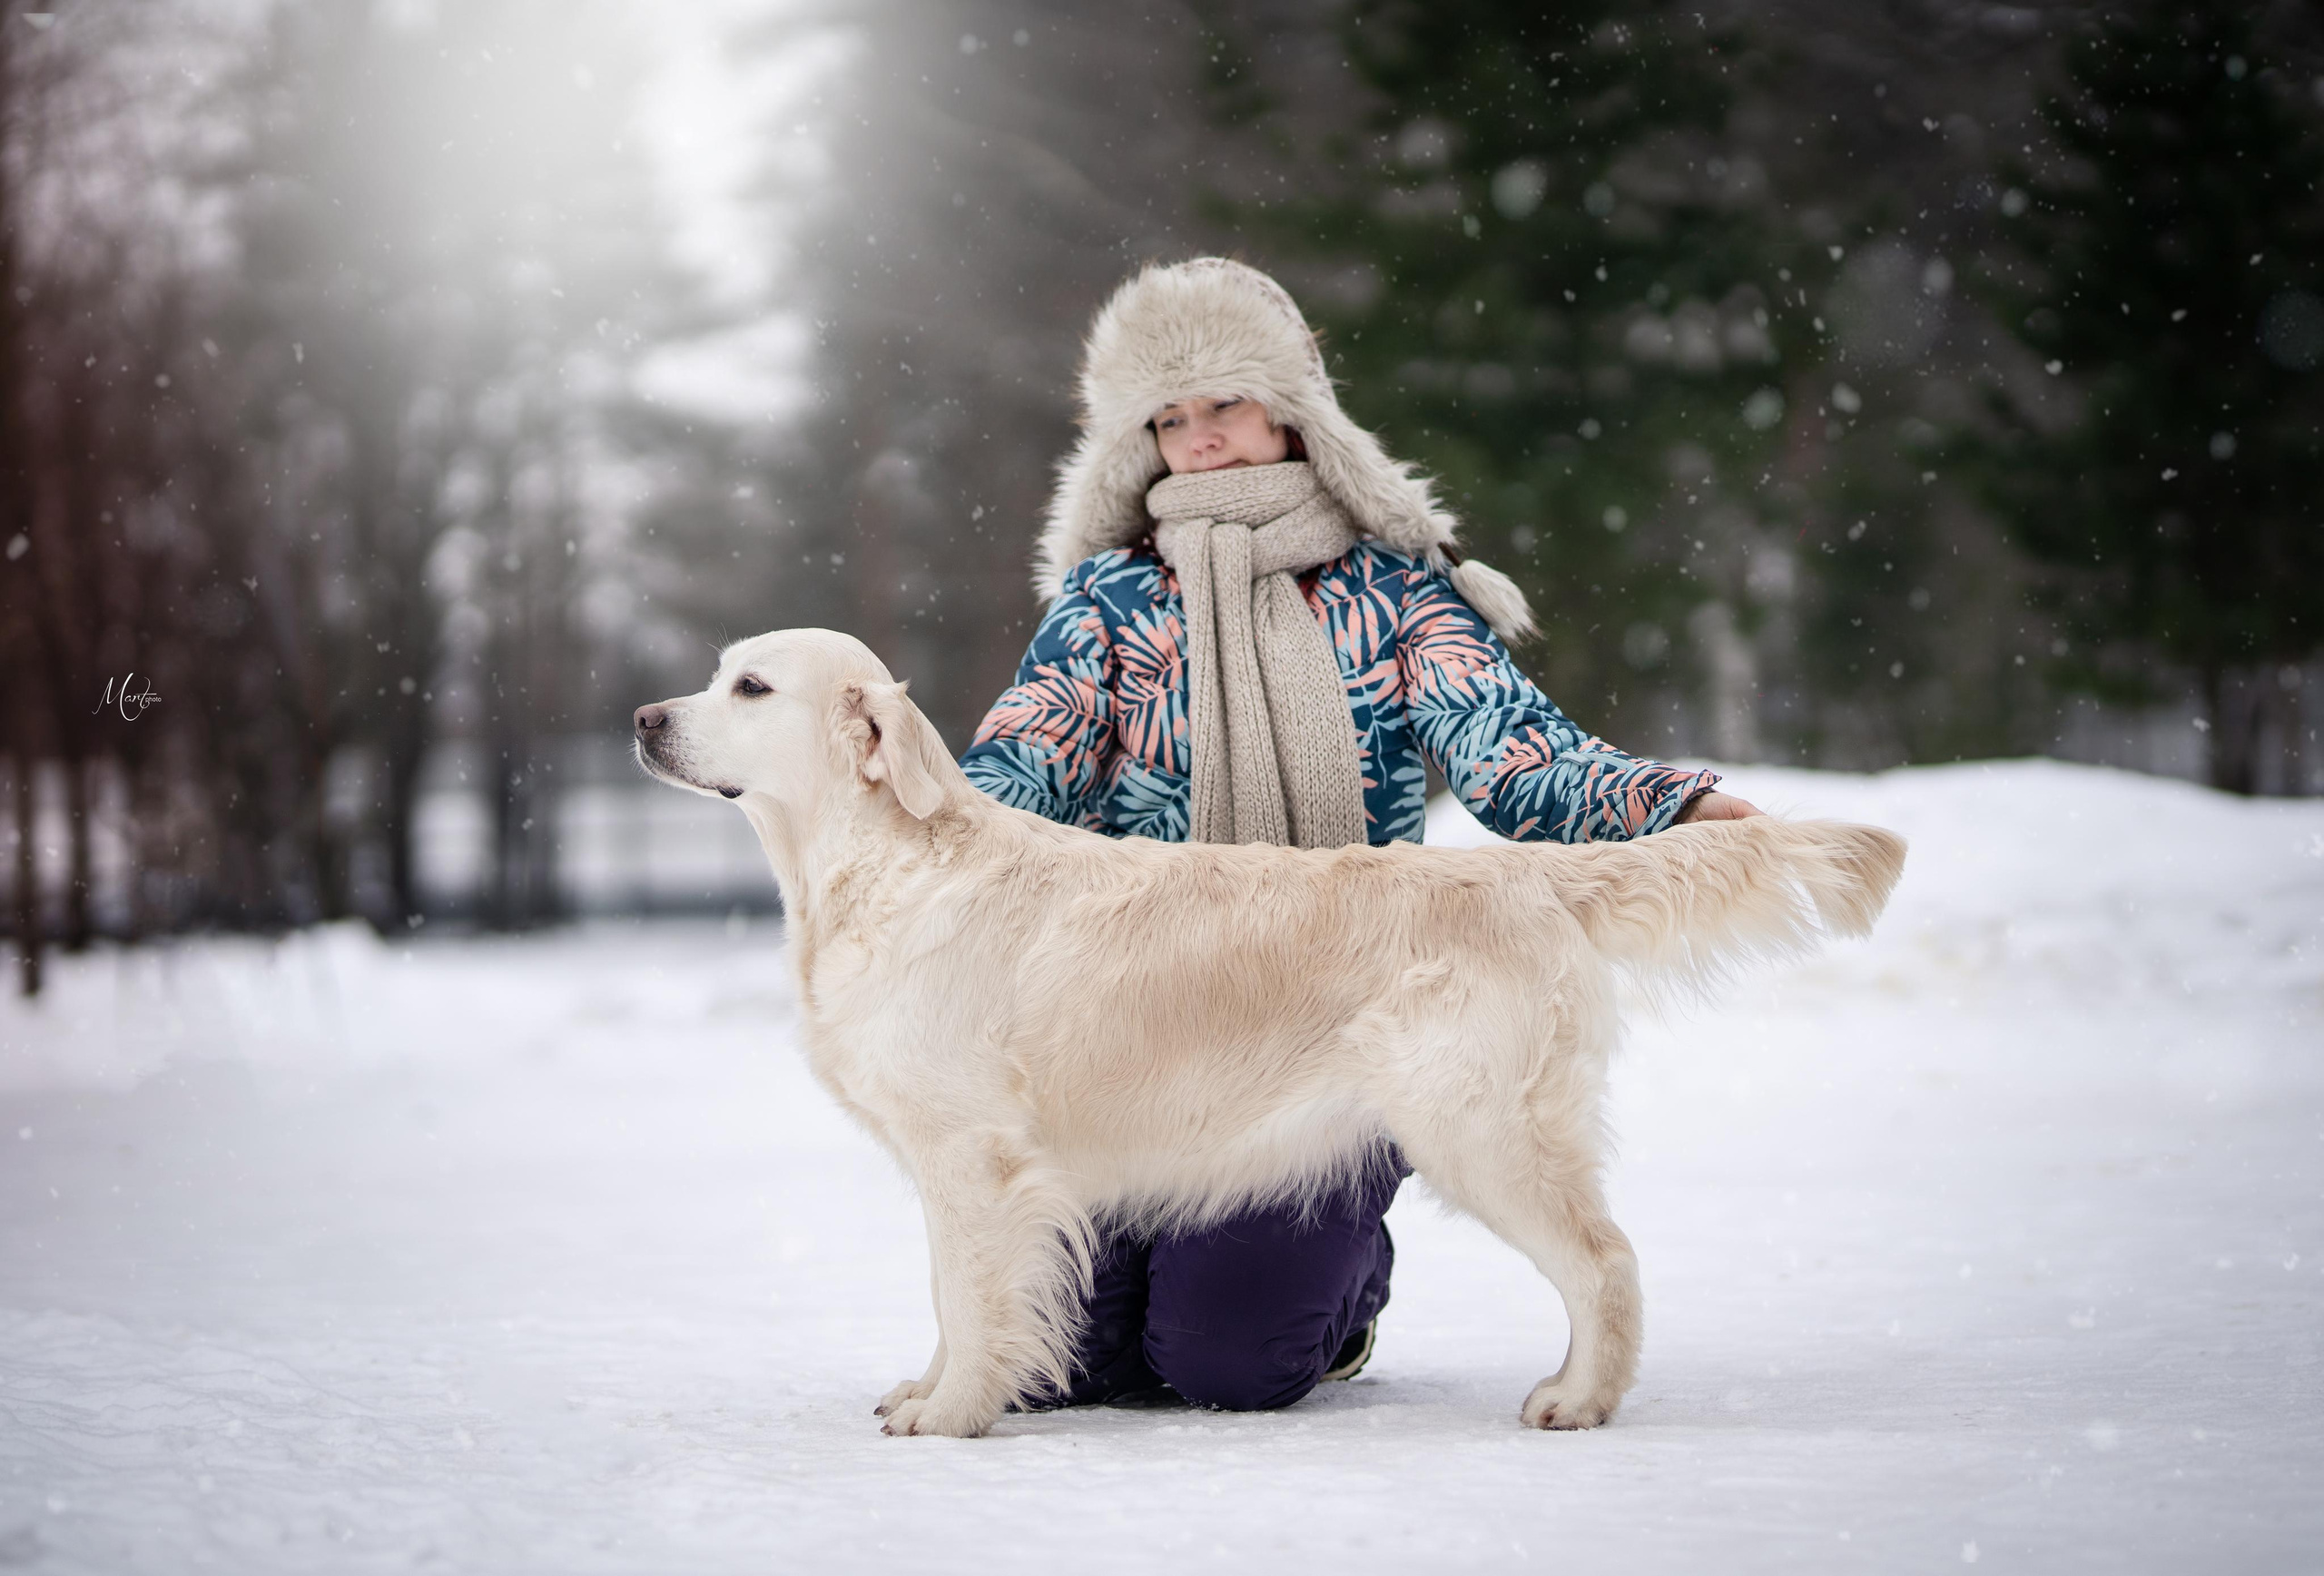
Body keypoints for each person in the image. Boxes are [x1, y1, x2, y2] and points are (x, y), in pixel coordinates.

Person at [958, 257, 1762, 1413]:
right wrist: (893, 818)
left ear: (1292, 409)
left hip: (1331, 1016)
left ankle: (1346, 1282)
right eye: (1169, 416)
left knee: (1229, 1362)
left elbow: (1506, 748)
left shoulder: (1397, 593)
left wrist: (1664, 803)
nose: (1200, 435)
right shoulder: (1106, 603)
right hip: (1136, 1019)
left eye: (1225, 401)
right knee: (1064, 1362)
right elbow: (1020, 768)